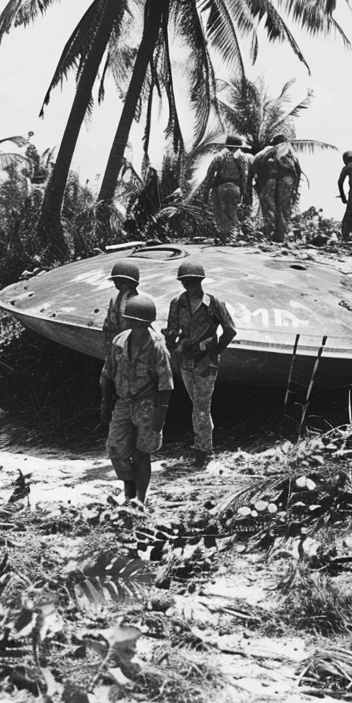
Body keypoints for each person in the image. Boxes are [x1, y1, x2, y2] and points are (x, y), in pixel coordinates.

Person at [99, 293, 174, 508]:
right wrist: (106, 402)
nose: (131, 324)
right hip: (123, 403)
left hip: (147, 405)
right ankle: (129, 492)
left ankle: (139, 499)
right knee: (116, 450)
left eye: (136, 321)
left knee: (142, 453)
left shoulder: (157, 347)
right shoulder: (119, 342)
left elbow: (166, 385)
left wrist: (160, 416)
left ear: (146, 323)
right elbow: (107, 373)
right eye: (130, 320)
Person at [164, 260, 236, 467]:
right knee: (197, 405)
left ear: (200, 281)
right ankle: (205, 444)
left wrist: (212, 352)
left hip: (206, 363)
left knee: (201, 408)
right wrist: (171, 344)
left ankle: (203, 451)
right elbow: (172, 330)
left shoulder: (214, 303)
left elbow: (230, 330)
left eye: (193, 281)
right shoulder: (177, 303)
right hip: (186, 361)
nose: (189, 285)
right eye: (185, 282)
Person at [249, 133, 302, 242]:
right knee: (284, 209)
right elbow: (298, 170)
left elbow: (258, 162)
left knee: (270, 207)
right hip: (289, 180)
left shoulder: (271, 150)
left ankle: (271, 234)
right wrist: (295, 188)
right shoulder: (291, 152)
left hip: (275, 180)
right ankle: (280, 236)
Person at [198, 134, 253, 240]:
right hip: (235, 188)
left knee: (220, 211)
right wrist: (244, 191)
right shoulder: (242, 157)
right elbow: (245, 176)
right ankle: (236, 232)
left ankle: (225, 233)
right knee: (232, 210)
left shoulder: (219, 157)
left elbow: (209, 175)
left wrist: (206, 191)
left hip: (220, 188)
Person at [102, 259, 140, 346]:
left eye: (122, 282)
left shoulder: (137, 301)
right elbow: (109, 323)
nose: (117, 284)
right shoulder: (114, 299)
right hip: (117, 341)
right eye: (116, 281)